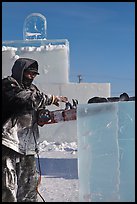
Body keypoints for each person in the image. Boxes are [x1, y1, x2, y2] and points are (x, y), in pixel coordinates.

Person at [2, 57, 68, 202]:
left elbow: (37, 107)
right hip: (8, 144)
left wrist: (43, 115)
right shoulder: (8, 85)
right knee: (7, 187)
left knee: (29, 187)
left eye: (34, 74)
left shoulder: (33, 89)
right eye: (29, 73)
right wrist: (51, 98)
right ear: (20, 71)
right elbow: (24, 100)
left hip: (28, 146)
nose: (31, 77)